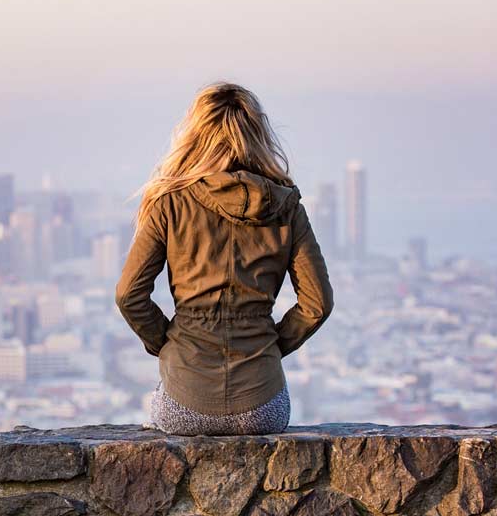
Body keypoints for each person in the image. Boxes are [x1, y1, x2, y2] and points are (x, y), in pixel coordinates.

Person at [115, 82, 334, 436]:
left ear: (195, 136)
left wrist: (168, 343)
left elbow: (129, 295)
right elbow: (317, 304)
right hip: (263, 406)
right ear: (258, 135)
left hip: (184, 401)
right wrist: (271, 346)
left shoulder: (169, 203)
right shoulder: (287, 207)